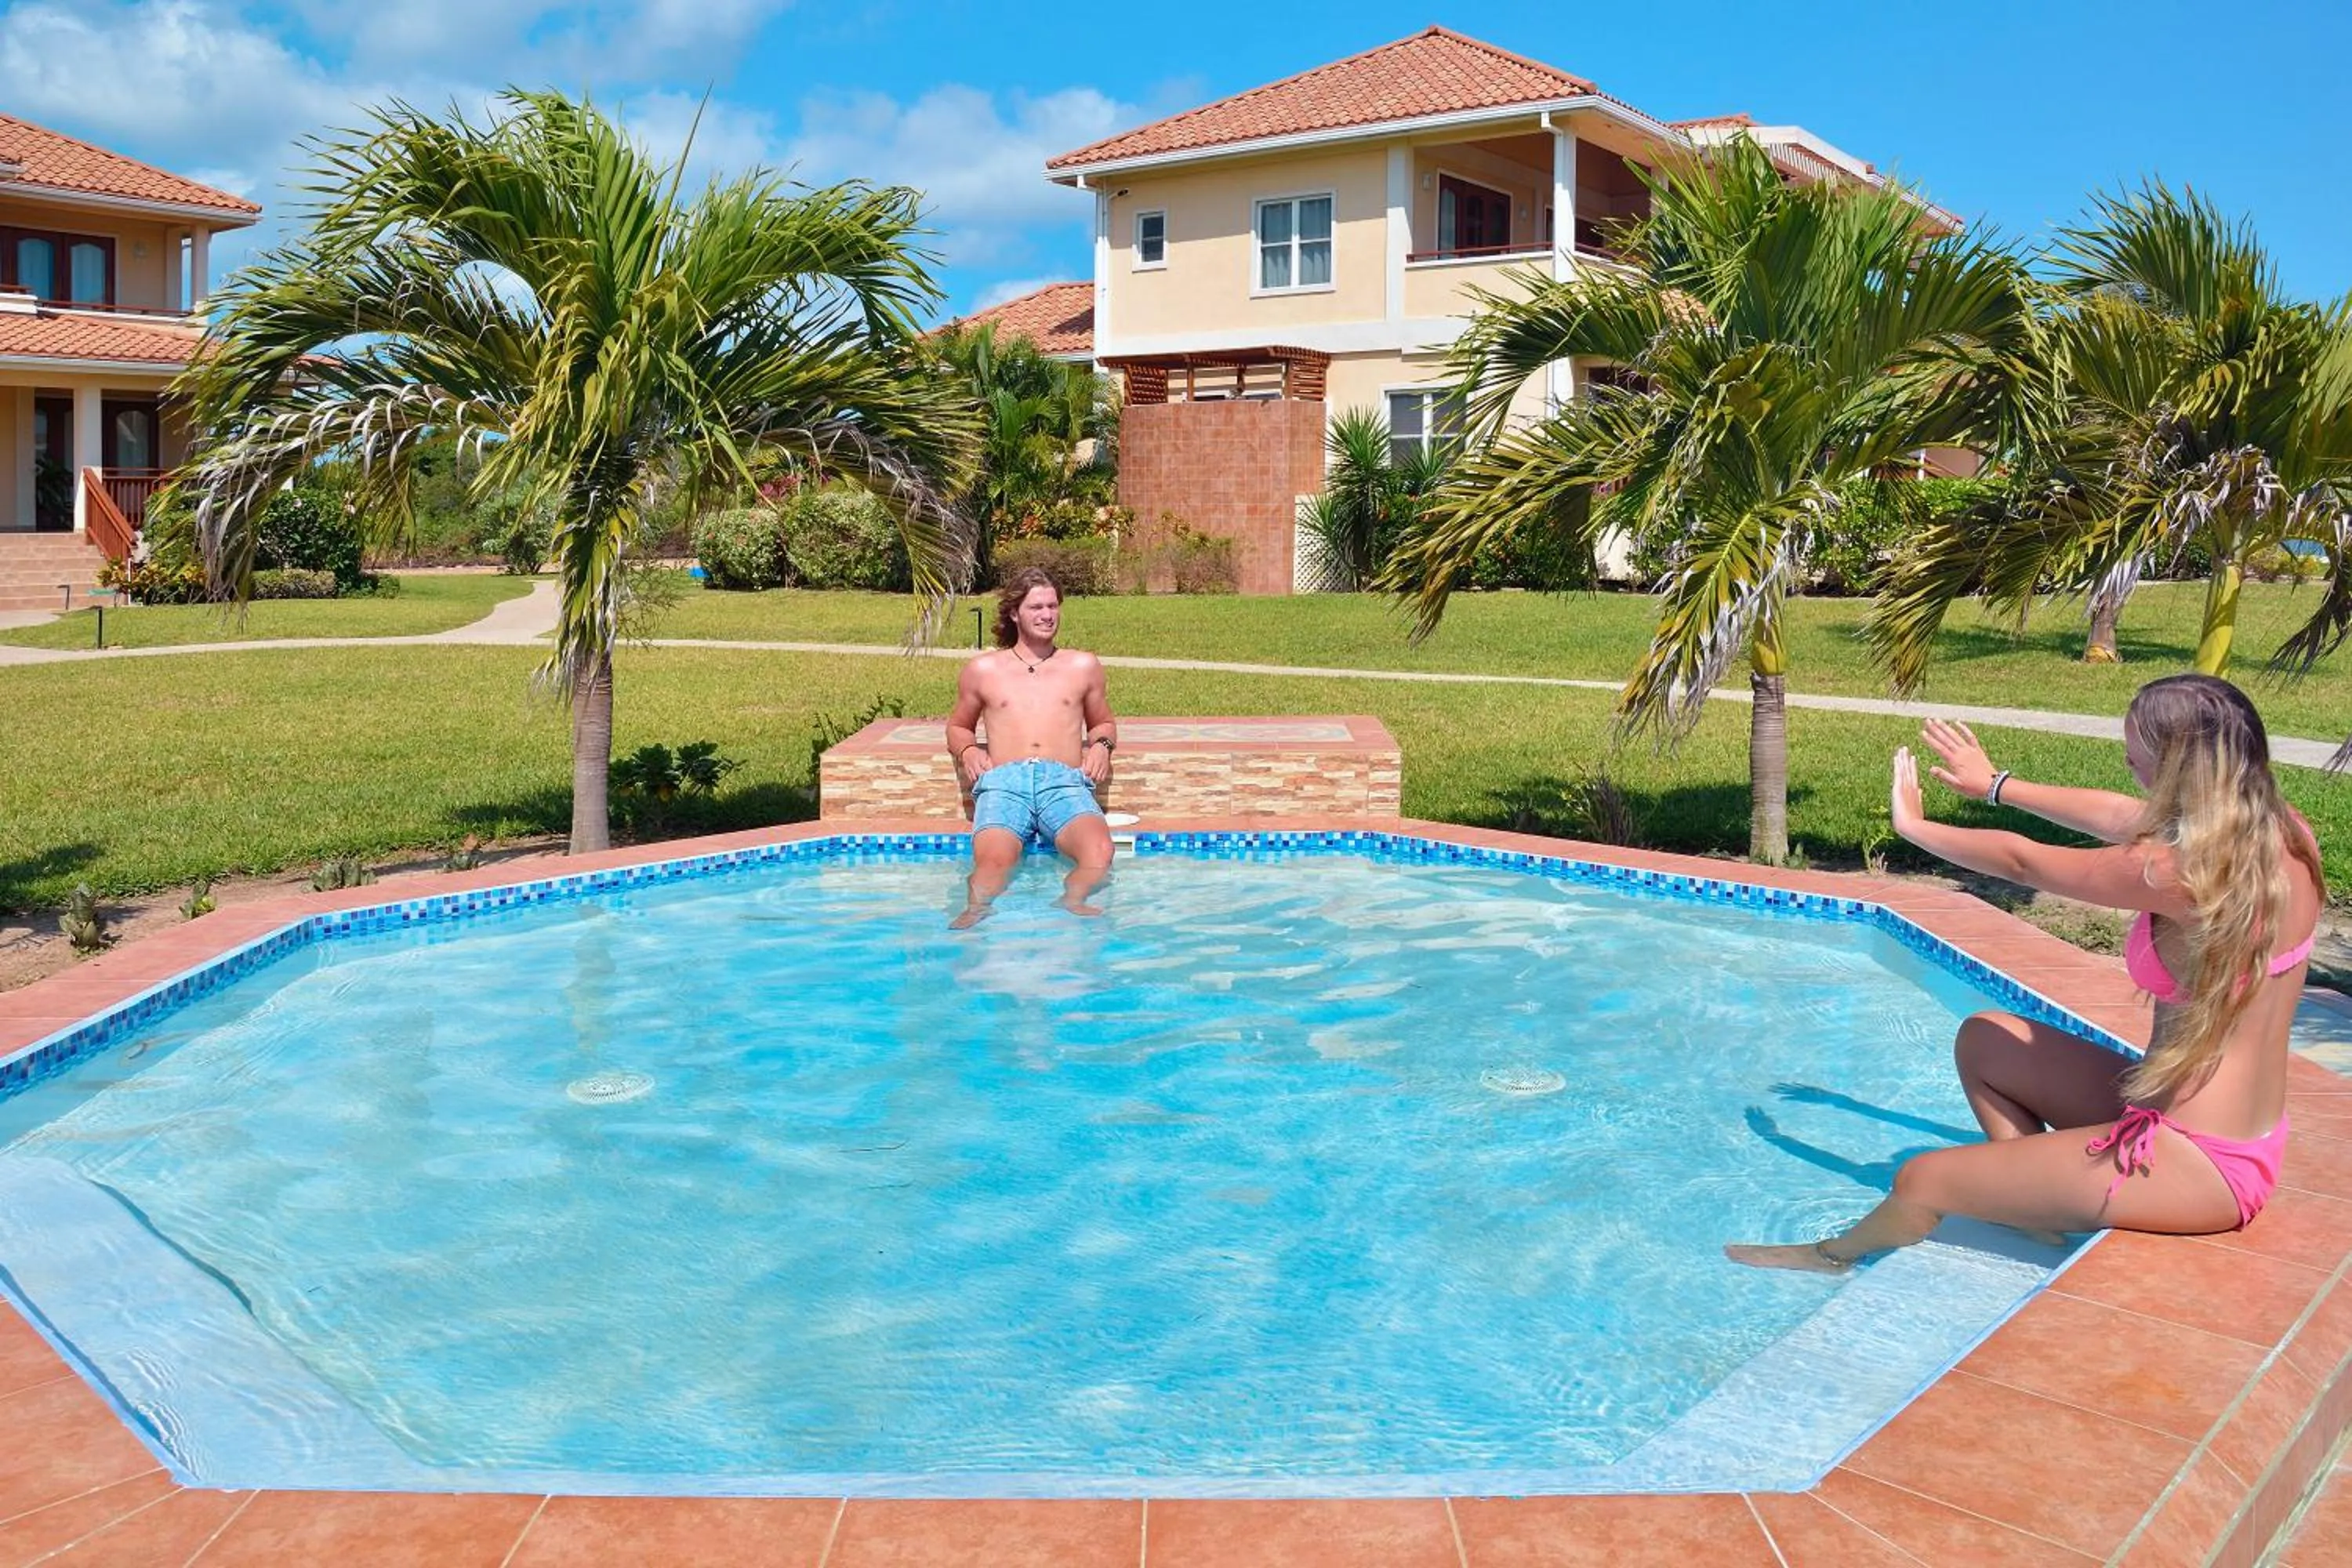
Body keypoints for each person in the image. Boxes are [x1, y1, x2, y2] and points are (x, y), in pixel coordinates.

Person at [1729, 674, 2323, 1273]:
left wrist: (1916, 829)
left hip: (2200, 1162)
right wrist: (1996, 786)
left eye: (2137, 755)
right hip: (2194, 1121)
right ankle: (2028, 1204)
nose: (2126, 761)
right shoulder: (2280, 834)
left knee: (1922, 1180)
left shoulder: (2175, 873)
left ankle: (1830, 1257)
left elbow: (2023, 860)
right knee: (1987, 1039)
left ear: (2177, 767)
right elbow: (2119, 814)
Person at [944, 567, 1118, 930]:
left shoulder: (1083, 666)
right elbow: (958, 727)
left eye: (1053, 606)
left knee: (1100, 852)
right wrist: (970, 752)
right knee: (994, 861)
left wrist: (1101, 746)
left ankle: (1072, 900)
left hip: (1064, 782)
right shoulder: (984, 670)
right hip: (1005, 783)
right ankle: (976, 911)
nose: (1047, 615)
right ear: (1014, 612)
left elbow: (1104, 723)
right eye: (1036, 607)